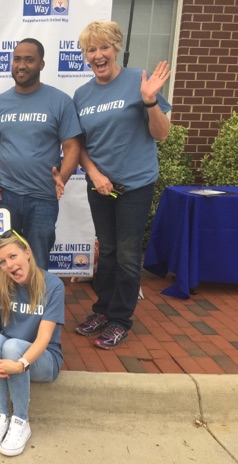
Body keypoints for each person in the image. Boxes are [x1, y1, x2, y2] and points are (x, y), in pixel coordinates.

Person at [72, 21, 172, 350]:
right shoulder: (82, 94)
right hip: (100, 186)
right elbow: (79, 145)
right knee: (109, 251)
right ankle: (103, 310)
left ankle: (120, 320)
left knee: (128, 255)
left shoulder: (138, 82)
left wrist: (149, 102)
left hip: (135, 185)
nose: (98, 55)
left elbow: (161, 134)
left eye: (104, 47)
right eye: (91, 49)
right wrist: (95, 175)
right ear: (85, 56)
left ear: (116, 48)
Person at [0, 38, 82, 270]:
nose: (21, 65)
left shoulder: (60, 101)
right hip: (5, 195)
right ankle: (6, 305)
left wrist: (61, 179)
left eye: (29, 60)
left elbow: (73, 147)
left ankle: (35, 306)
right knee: (3, 258)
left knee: (37, 260)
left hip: (43, 197)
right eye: (17, 59)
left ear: (41, 65)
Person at [0, 230, 64, 457]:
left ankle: (21, 421)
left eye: (13, 256)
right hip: (10, 353)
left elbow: (44, 337)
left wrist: (21, 364)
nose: (9, 265)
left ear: (27, 253)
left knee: (12, 346)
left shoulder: (53, 285)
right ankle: (1, 416)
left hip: (44, 360)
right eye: (2, 261)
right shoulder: (2, 284)